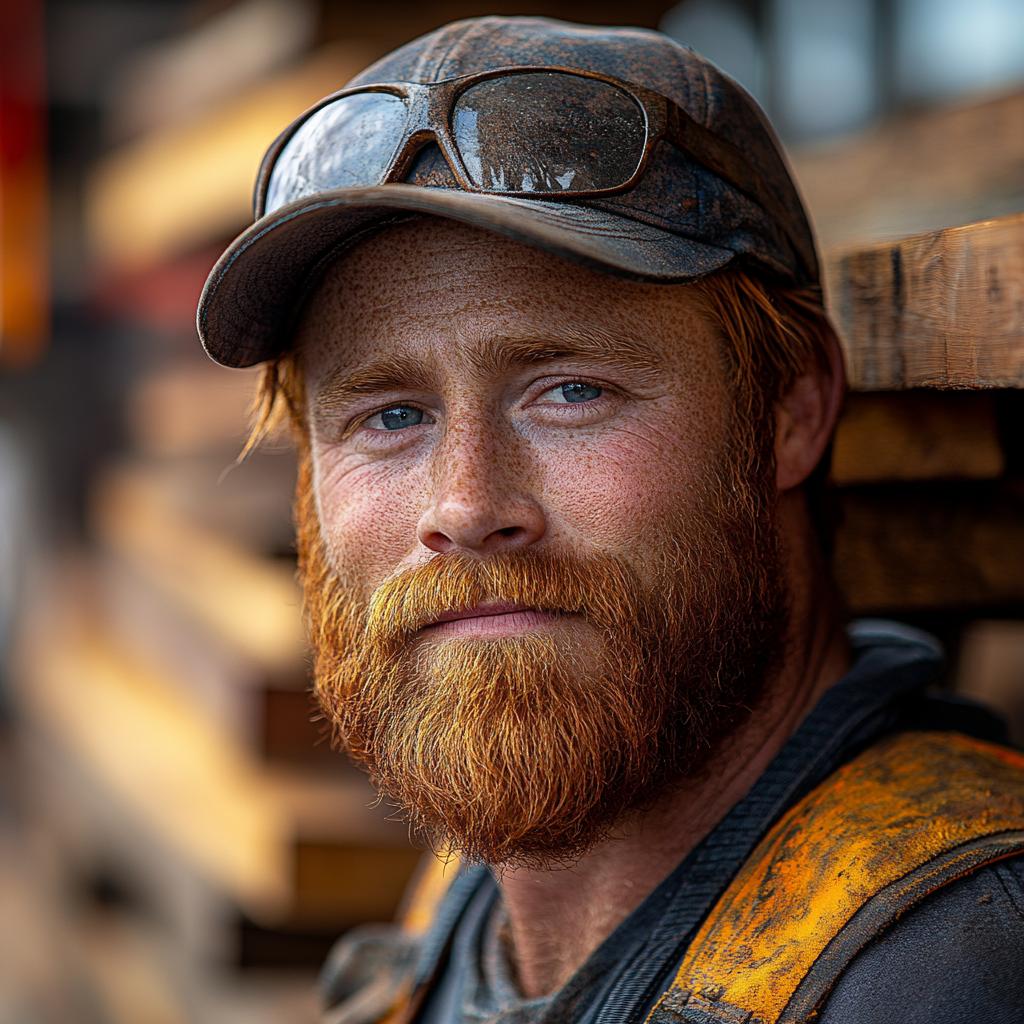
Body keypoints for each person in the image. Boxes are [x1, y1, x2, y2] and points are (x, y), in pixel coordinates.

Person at [197, 17, 1024, 1024]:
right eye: (392, 415)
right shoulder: (476, 881)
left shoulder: (951, 966)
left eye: (572, 391)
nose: (464, 505)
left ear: (790, 409)